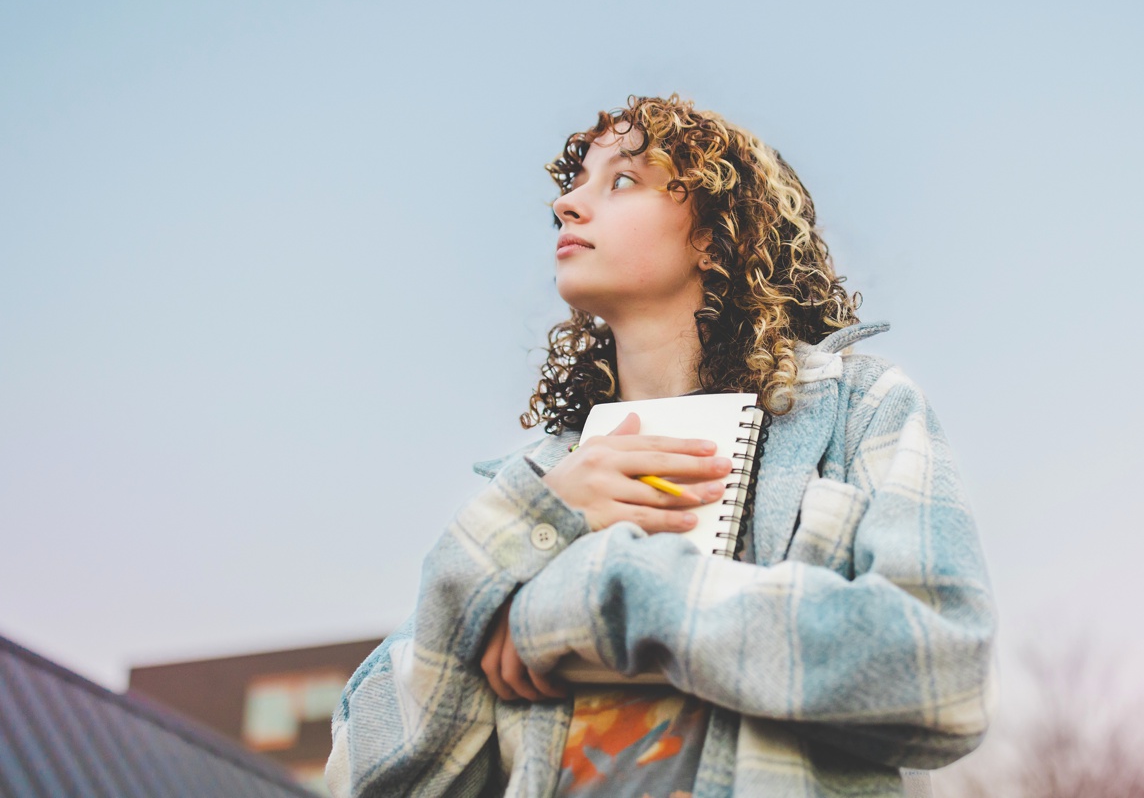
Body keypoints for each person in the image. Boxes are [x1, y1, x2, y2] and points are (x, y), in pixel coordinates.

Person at [327, 96, 995, 798]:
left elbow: (942, 666)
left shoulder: (861, 408)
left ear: (714, 233)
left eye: (621, 181)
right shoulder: (539, 485)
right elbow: (359, 772)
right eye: (573, 184)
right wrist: (517, 536)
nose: (568, 207)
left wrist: (594, 596)